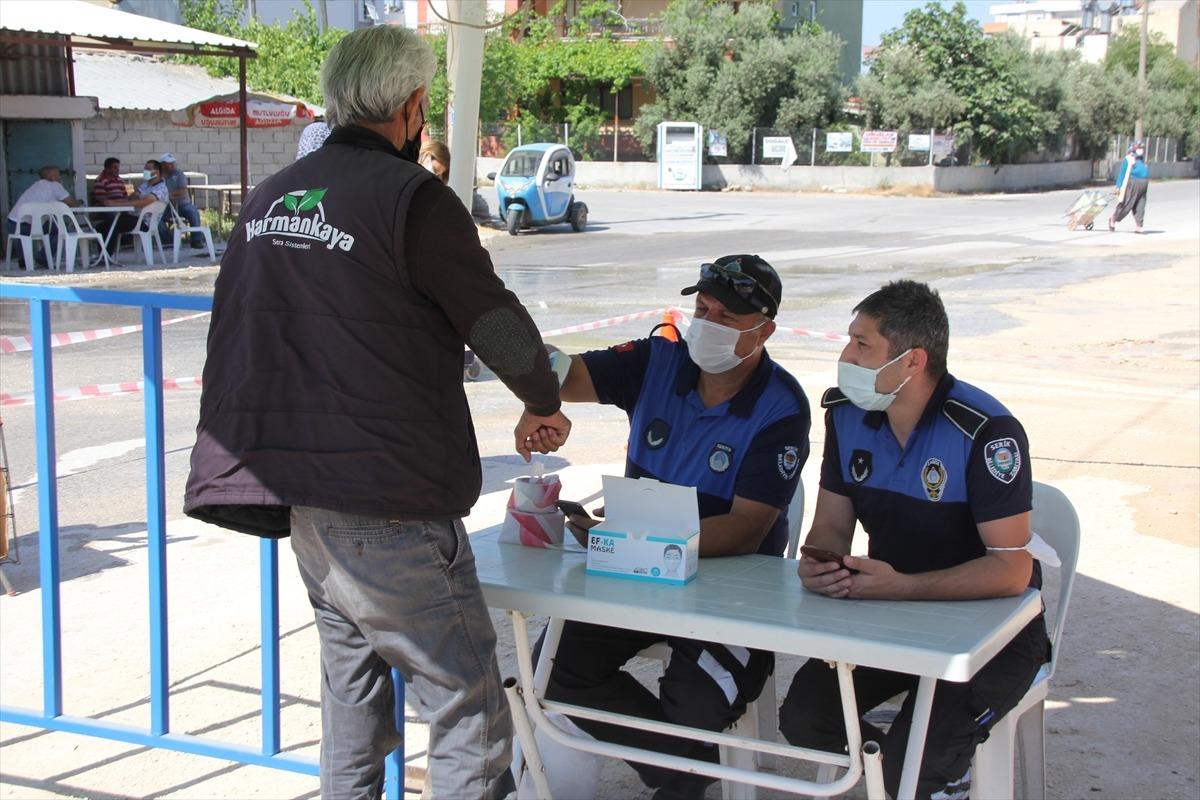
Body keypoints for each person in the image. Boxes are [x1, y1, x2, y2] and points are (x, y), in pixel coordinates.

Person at [183, 24, 571, 800]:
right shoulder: (411, 199)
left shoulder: (269, 198)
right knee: (469, 707)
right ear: (413, 105)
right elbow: (491, 320)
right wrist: (543, 400)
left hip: (301, 497)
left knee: (352, 702)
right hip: (386, 496)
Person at [534, 254, 811, 800]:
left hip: (732, 588)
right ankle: (685, 774)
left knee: (696, 704)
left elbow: (746, 531)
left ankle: (680, 773)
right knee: (553, 669)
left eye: (725, 317)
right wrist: (529, 381)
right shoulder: (656, 361)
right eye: (701, 308)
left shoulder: (781, 406)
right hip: (636, 572)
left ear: (764, 330)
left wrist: (632, 542)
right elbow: (565, 373)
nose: (704, 324)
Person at [778, 280, 1051, 800]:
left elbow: (1011, 570)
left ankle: (925, 776)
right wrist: (822, 562)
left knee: (918, 756)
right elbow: (833, 523)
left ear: (912, 361)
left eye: (862, 345)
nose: (845, 356)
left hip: (996, 630)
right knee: (807, 715)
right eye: (848, 340)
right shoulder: (847, 413)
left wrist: (900, 587)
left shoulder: (985, 430)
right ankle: (917, 778)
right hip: (891, 613)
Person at [5, 166, 76, 269]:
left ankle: (25, 260)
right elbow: (71, 203)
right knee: (62, 229)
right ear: (51, 177)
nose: (60, 177)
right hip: (30, 225)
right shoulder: (55, 185)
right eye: (57, 175)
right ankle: (42, 257)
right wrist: (79, 203)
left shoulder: (35, 186)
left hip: (13, 223)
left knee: (24, 236)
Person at [102, 159, 169, 257]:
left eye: (148, 169)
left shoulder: (161, 188)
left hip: (144, 222)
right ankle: (103, 255)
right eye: (145, 168)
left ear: (157, 171)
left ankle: (106, 256)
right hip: (134, 217)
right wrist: (117, 201)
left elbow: (143, 202)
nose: (145, 171)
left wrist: (116, 204)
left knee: (113, 225)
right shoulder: (145, 185)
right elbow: (133, 197)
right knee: (102, 226)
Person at [157, 152, 205, 248]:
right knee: (156, 219)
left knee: (192, 211)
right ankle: (169, 241)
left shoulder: (179, 174)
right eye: (169, 164)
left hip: (182, 204)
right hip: (164, 206)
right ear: (162, 165)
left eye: (173, 163)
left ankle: (196, 240)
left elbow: (182, 190)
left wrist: (167, 196)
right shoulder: (158, 177)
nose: (172, 165)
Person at [1109, 140, 1149, 234]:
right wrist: (1118, 186)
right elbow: (1122, 173)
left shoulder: (1141, 159)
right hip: (1132, 184)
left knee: (1140, 205)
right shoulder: (1128, 159)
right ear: (1134, 148)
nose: (1141, 150)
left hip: (1143, 184)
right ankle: (1113, 219)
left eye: (1142, 148)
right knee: (1126, 204)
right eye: (1139, 148)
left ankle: (1139, 226)